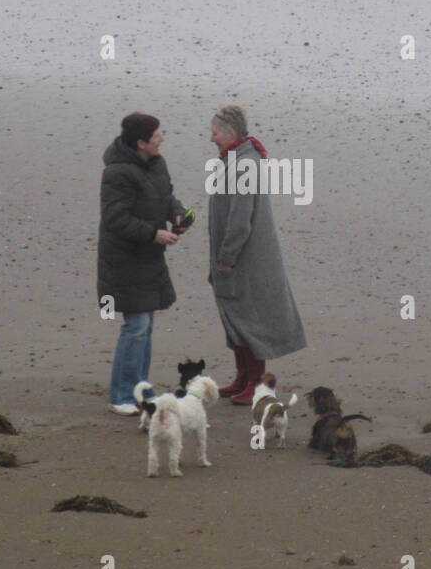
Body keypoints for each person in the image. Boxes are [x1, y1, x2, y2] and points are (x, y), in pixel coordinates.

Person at [207, 104, 306, 404]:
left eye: (214, 134)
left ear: (232, 134)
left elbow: (240, 219)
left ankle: (255, 383)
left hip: (247, 258)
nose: (211, 139)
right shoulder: (235, 159)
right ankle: (242, 377)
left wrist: (226, 257)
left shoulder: (245, 164)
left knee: (251, 318)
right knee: (235, 316)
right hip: (236, 255)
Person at [99, 112, 187, 415]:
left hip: (149, 258)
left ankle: (139, 387)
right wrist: (154, 234)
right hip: (124, 260)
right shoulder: (117, 173)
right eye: (156, 135)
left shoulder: (157, 163)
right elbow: (115, 219)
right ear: (140, 142)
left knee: (146, 325)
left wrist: (178, 215)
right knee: (135, 326)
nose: (161, 138)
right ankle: (121, 395)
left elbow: (167, 197)